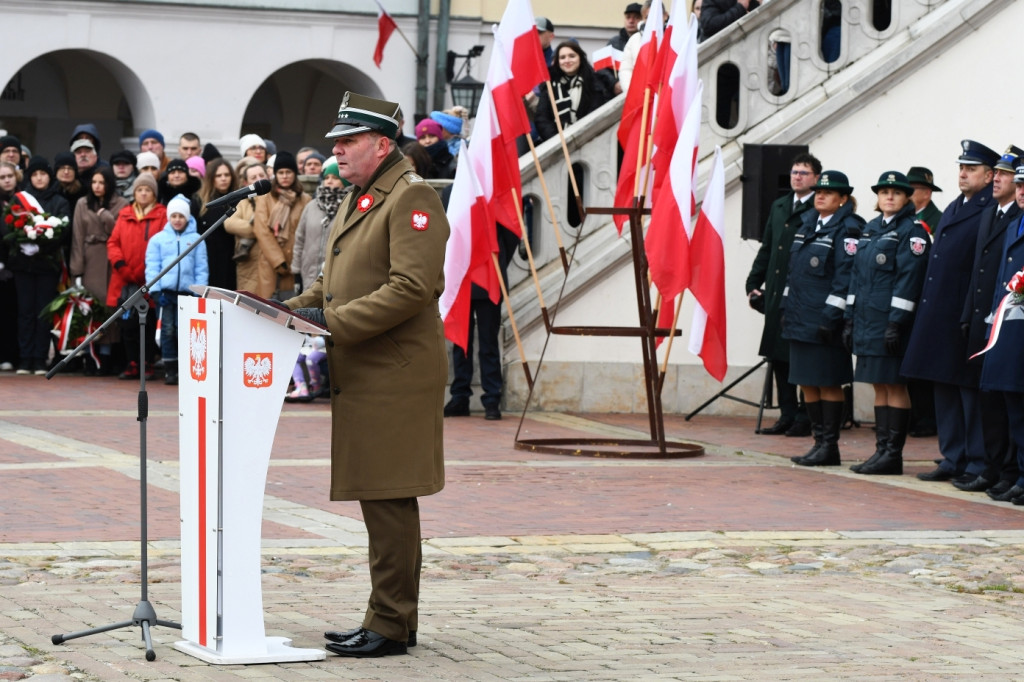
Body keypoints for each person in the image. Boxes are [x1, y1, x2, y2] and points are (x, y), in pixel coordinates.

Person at [286, 91, 448, 658]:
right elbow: (334, 283)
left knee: (389, 499)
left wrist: (328, 323)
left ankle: (391, 623)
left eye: (347, 140)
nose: (336, 149)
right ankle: (390, 618)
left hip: (395, 373)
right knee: (380, 500)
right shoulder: (361, 197)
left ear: (381, 145)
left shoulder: (412, 197)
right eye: (336, 140)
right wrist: (282, 310)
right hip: (368, 368)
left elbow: (412, 288)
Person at [903, 140, 998, 483]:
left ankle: (976, 461)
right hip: (939, 311)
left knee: (967, 392)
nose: (963, 174)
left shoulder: (988, 209)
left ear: (989, 176)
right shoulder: (956, 206)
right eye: (961, 167)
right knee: (943, 386)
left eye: (971, 169)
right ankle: (952, 456)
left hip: (963, 312)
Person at [845, 172, 930, 475]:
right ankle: (881, 451)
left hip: (891, 323)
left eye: (896, 192)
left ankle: (893, 454)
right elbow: (856, 277)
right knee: (879, 385)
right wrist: (849, 318)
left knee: (894, 385)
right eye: (884, 192)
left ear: (907, 198)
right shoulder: (870, 229)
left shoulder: (912, 231)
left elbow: (909, 280)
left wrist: (896, 322)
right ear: (878, 198)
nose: (890, 197)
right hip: (868, 320)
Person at [782, 170, 863, 467]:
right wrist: (785, 307)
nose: (820, 196)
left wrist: (831, 316)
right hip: (800, 318)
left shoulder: (849, 229)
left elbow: (845, 279)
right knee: (807, 383)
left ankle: (830, 446)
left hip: (824, 321)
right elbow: (795, 273)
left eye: (828, 193)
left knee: (827, 382)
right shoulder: (807, 224)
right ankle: (818, 443)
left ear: (843, 199)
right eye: (818, 191)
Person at [957, 147, 1022, 494]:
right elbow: (980, 272)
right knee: (990, 399)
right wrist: (970, 314)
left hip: (1011, 323)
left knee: (1009, 399)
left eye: (1005, 174)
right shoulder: (992, 215)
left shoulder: (1015, 218)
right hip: (988, 319)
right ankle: (994, 467)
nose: (997, 179)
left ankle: (1010, 470)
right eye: (994, 173)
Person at [745, 153, 820, 437]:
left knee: (798, 356)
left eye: (803, 172)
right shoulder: (779, 205)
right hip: (776, 293)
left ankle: (805, 415)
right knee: (778, 356)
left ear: (815, 178)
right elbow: (768, 248)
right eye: (794, 172)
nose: (797, 176)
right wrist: (753, 282)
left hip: (800, 295)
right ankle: (787, 414)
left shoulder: (818, 207)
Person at [444, 223, 520, 421]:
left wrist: (499, 259)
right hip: (461, 279)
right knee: (461, 343)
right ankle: (460, 397)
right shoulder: (450, 193)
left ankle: (492, 399)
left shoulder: (490, 192)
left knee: (488, 343)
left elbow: (511, 235)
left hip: (489, 276)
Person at [981, 162, 1024, 504]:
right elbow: (1002, 277)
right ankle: (1020, 475)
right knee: (1012, 403)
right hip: (1008, 326)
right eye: (1019, 185)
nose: (1021, 191)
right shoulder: (1014, 225)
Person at [0, 176, 66, 374]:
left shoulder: (58, 201)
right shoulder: (19, 200)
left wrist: (41, 246)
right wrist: (22, 243)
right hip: (22, 266)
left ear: (48, 176)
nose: (39, 178)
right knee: (25, 313)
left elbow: (63, 231)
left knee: (43, 313)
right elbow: (7, 228)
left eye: (43, 174)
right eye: (35, 174)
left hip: (47, 266)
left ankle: (40, 358)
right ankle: (25, 358)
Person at [107, 173, 167, 380]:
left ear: (154, 194)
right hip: (125, 280)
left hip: (150, 280)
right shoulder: (125, 214)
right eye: (140, 189)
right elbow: (113, 243)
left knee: (148, 324)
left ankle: (147, 363)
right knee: (128, 324)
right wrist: (122, 266)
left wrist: (146, 272)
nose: (143, 193)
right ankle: (132, 362)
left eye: (147, 190)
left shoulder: (162, 215)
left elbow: (162, 245)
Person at [70, 166, 129, 374]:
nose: (97, 187)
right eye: (94, 182)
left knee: (108, 309)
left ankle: (105, 357)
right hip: (89, 261)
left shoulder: (121, 204)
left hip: (110, 260)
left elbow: (122, 233)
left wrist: (106, 217)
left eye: (102, 182)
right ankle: (88, 356)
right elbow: (77, 237)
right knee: (89, 308)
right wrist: (76, 271)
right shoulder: (82, 203)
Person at [145, 194, 208, 385]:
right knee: (167, 331)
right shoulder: (158, 240)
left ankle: (186, 368)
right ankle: (170, 369)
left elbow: (201, 267)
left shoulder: (197, 239)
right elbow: (152, 266)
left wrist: (200, 292)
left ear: (188, 217)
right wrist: (155, 290)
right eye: (174, 216)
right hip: (166, 294)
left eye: (181, 216)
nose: (177, 220)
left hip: (188, 294)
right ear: (168, 217)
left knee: (187, 332)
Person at [252, 151, 309, 299]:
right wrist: (278, 261)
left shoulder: (305, 199)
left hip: (295, 265)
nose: (284, 176)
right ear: (275, 174)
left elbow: (305, 231)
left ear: (295, 174)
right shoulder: (265, 198)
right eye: (280, 172)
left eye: (288, 172)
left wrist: (294, 261)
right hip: (271, 264)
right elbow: (262, 231)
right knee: (267, 309)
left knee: (291, 311)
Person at [535, 41, 615, 142]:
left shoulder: (594, 83)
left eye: (572, 56)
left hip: (587, 141)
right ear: (557, 61)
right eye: (562, 57)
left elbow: (596, 114)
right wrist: (557, 140)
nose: (567, 60)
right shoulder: (549, 86)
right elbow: (542, 118)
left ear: (580, 58)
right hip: (557, 145)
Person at [292, 157, 350, 294]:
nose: (329, 181)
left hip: (336, 278)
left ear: (344, 181)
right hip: (308, 275)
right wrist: (296, 273)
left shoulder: (349, 207)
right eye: (326, 177)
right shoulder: (312, 206)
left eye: (335, 178)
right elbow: (299, 240)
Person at [224, 159, 269, 291]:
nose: (258, 179)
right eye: (253, 177)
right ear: (246, 183)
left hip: (272, 265)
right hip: (248, 267)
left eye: (261, 176)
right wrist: (259, 228)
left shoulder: (277, 200)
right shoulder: (243, 202)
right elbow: (229, 223)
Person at [195, 158, 239, 290]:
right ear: (211, 178)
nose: (223, 178)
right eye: (218, 175)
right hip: (207, 261)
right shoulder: (198, 201)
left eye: (227, 175)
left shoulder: (238, 200)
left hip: (232, 261)